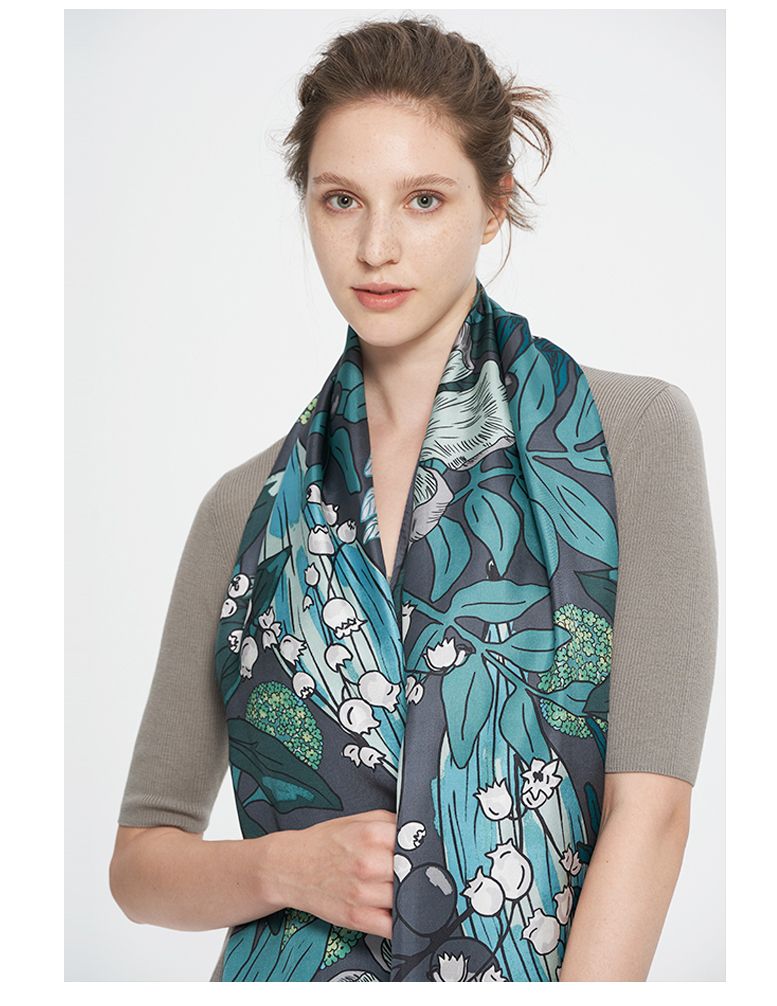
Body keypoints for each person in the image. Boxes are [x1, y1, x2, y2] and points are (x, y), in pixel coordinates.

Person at [108, 15, 718, 982]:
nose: (377, 246)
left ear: (493, 205)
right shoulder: (244, 507)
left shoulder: (629, 436)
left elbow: (653, 815)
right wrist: (282, 867)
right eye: (341, 200)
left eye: (423, 199)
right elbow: (141, 865)